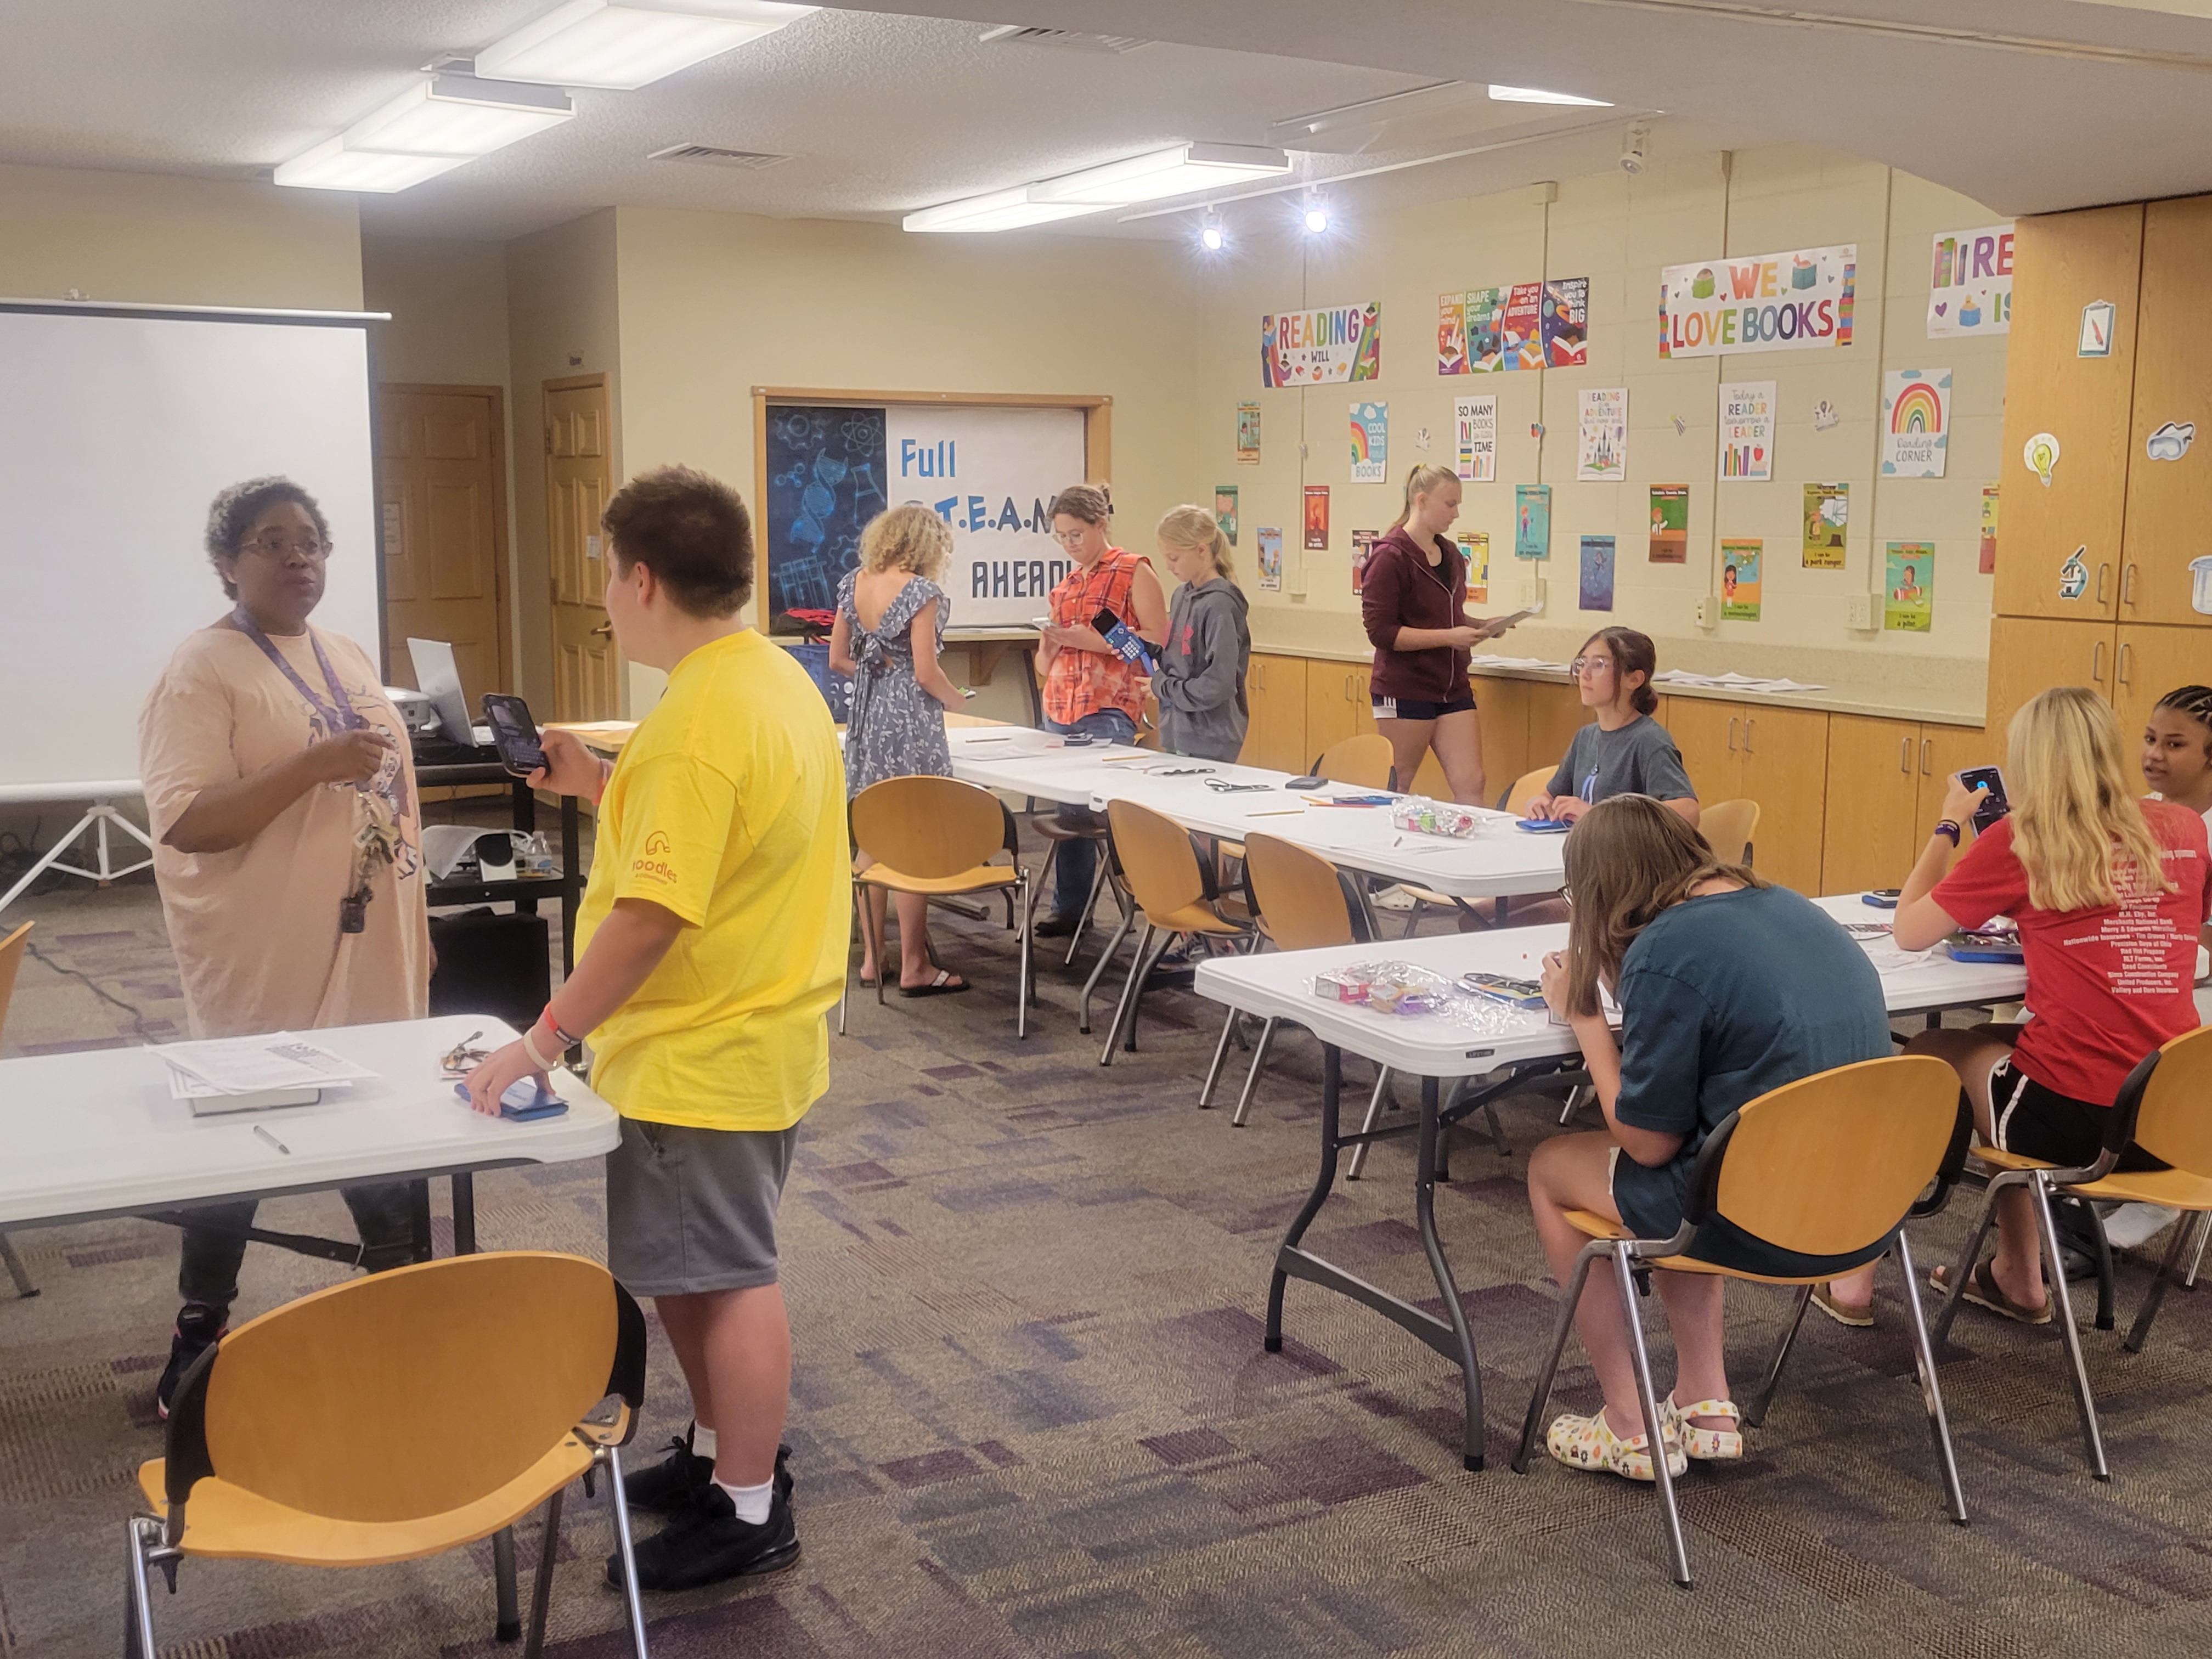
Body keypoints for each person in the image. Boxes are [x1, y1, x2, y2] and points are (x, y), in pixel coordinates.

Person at [463, 466, 849, 1592]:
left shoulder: (693, 724)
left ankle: (749, 1505)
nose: (606, 596)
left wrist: (539, 1042)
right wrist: (602, 786)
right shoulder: (768, 677)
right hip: (757, 1029)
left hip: (703, 1046)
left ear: (641, 578)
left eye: (605, 574)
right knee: (690, 1270)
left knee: (726, 1275)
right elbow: (731, 831)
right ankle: (718, 1457)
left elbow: (650, 918)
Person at [137, 477, 429, 1417]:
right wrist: (309, 764)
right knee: (242, 1152)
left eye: (311, 540)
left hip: (368, 944)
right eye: (272, 542)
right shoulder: (203, 668)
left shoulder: (343, 652)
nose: (299, 557)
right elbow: (186, 821)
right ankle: (197, 1339)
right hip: (265, 956)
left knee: (384, 1145)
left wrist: (414, 934)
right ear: (227, 562)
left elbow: (386, 793)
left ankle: (409, 1324)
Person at [1526, 795, 1891, 1481]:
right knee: (1710, 1146)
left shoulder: (1668, 949)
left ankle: (1628, 1423)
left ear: (1603, 890)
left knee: (1553, 1166)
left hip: (1756, 1213)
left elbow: (1645, 1144)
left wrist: (1584, 1019)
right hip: (1862, 1203)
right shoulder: (1790, 905)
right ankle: (1705, 1402)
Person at [1822, 687, 2210, 1327]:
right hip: (2177, 1119)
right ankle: (2017, 1277)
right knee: (1999, 1048)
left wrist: (1949, 824)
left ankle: (1852, 1279)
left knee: (1928, 1054)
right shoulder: (2184, 828)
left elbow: (1913, 929)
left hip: (2080, 1118)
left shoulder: (2025, 837)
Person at [830, 503, 971, 995]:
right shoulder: (921, 592)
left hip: (867, 717)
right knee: (914, 840)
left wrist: (877, 672)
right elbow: (928, 673)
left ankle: (873, 958)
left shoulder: (854, 583)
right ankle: (915, 967)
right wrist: (959, 702)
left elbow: (839, 659)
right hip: (911, 719)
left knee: (874, 835)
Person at [1031, 483, 1166, 937]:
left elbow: (1156, 641)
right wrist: (1051, 645)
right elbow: (1041, 663)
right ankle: (1071, 909)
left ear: (1101, 524)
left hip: (1108, 704)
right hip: (1061, 705)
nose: (1070, 545)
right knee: (1071, 812)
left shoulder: (1133, 570)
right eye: (1062, 537)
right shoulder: (1065, 586)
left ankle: (1147, 899)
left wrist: (1095, 641)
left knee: (1113, 811)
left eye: (1076, 535)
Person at [1360, 463, 1513, 805]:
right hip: (1405, 688)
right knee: (1399, 784)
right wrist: (1449, 637)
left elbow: (1448, 617)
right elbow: (1382, 633)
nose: (1456, 514)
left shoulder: (1452, 555)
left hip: (1452, 687)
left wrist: (1481, 626)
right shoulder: (1389, 558)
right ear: (1422, 500)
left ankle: (1471, 854)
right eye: (1450, 504)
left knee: (1472, 781)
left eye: (1458, 505)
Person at [1525, 628, 1699, 826]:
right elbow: (1550, 795)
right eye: (1582, 663)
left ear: (1634, 680)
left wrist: (1599, 817)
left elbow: (1688, 812)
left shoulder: (1649, 740)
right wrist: (1540, 803)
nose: (1585, 674)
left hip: (1626, 856)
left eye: (1599, 665)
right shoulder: (1585, 737)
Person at [1150, 504, 1251, 763]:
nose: (1169, 567)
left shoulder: (1220, 603)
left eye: (1174, 558)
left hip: (1210, 737)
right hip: (1178, 731)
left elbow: (1218, 682)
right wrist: (1147, 652)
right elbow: (1181, 660)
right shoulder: (1181, 595)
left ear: (1201, 550)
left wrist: (1164, 687)